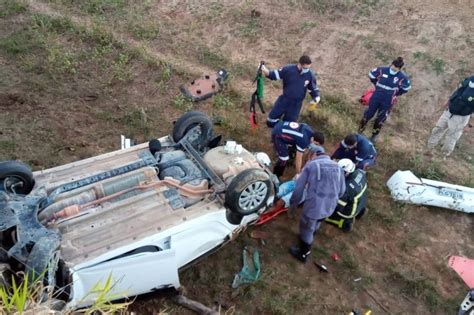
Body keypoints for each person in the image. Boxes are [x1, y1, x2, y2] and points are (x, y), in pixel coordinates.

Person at [288, 145, 346, 263]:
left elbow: (298, 189)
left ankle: (303, 254)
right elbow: (342, 191)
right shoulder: (338, 166)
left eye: (309, 157)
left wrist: (292, 206)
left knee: (306, 229)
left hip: (314, 207)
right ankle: (313, 231)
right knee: (318, 221)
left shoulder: (311, 166)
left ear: (313, 155)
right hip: (330, 206)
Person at [359, 57, 412, 142]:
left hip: (388, 100)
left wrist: (396, 93)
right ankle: (360, 132)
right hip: (377, 96)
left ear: (399, 69)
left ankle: (373, 136)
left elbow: (406, 88)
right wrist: (376, 84)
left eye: (396, 68)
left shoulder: (402, 77)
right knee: (368, 114)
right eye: (393, 66)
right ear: (391, 64)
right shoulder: (382, 70)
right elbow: (371, 75)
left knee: (381, 118)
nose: (394, 68)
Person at [261, 55, 320, 128]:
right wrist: (264, 69)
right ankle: (278, 128)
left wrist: (317, 97)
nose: (307, 70)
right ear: (299, 64)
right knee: (270, 122)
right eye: (305, 68)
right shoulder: (288, 69)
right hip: (284, 100)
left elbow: (313, 88)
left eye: (308, 68)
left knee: (289, 126)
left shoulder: (310, 75)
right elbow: (273, 75)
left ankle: (283, 132)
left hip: (296, 104)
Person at [427, 75, 474, 157]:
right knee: (438, 128)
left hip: (461, 117)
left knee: (451, 138)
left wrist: (470, 125)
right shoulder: (470, 79)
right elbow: (458, 90)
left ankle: (443, 156)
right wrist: (448, 100)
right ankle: (429, 148)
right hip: (450, 110)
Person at [325, 159, 368, 232]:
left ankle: (344, 223)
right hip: (362, 201)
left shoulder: (346, 188)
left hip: (349, 210)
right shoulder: (360, 172)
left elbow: (338, 207)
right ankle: (360, 211)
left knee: (325, 215)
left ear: (347, 172)